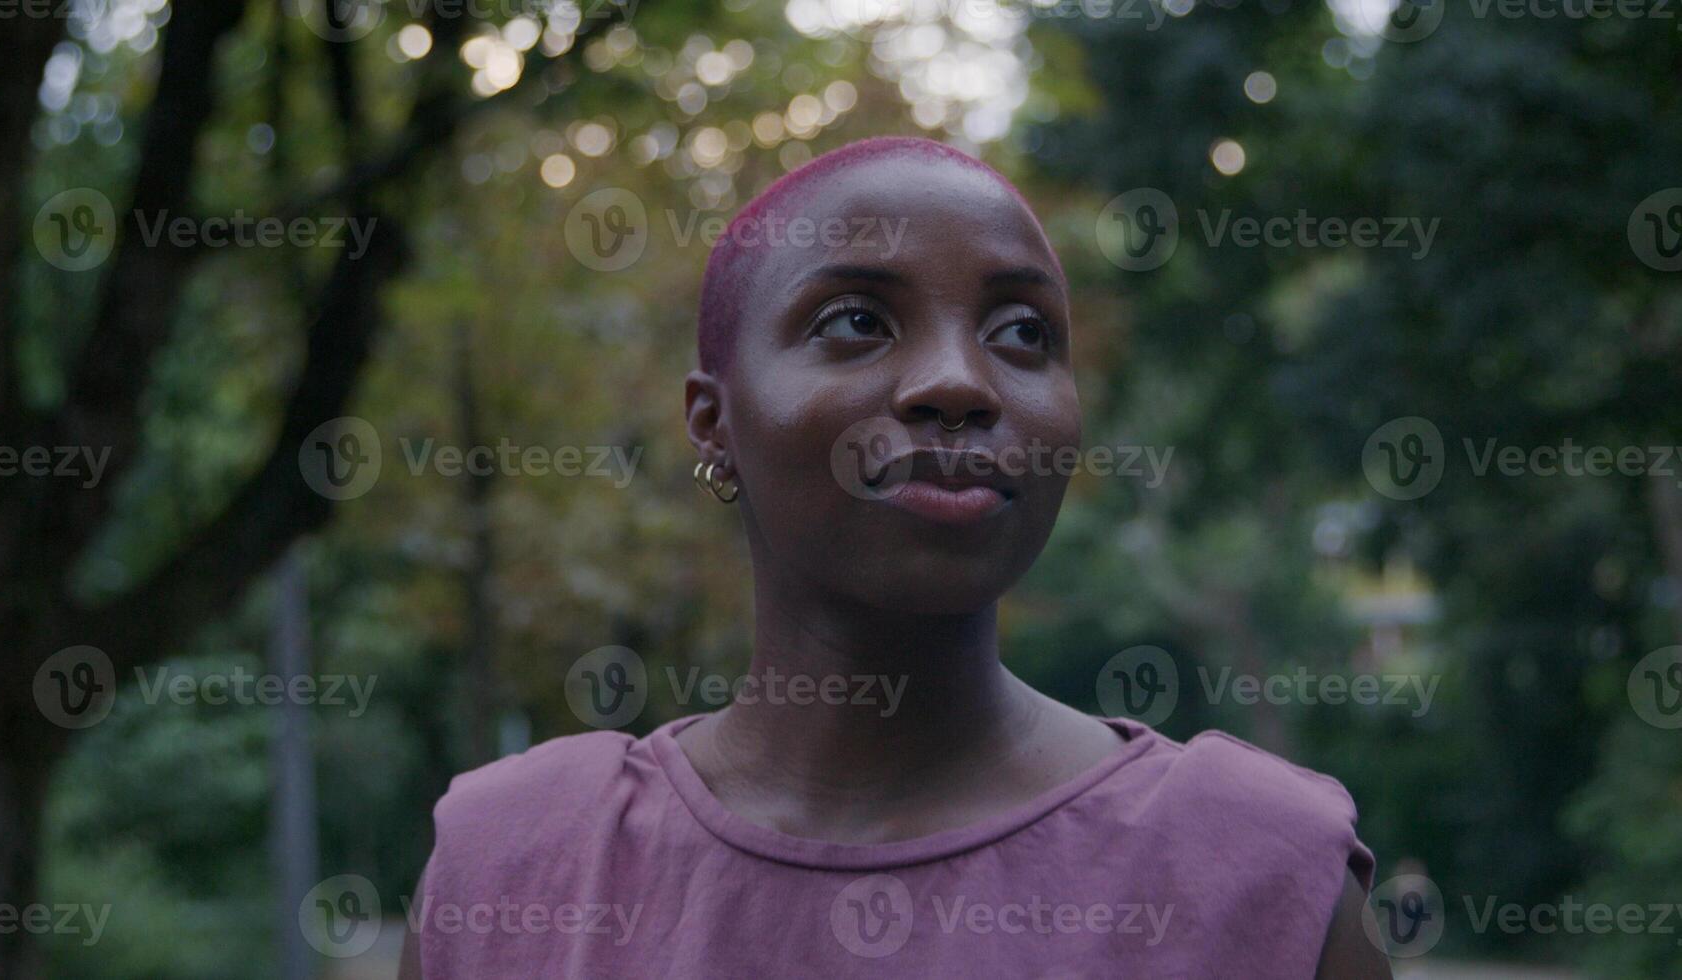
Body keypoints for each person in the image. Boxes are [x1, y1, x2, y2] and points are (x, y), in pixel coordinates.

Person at [399, 136, 1388, 978]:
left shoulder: (1258, 876)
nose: (958, 382)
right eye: (856, 323)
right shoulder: (515, 870)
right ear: (713, 421)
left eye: (1020, 332)